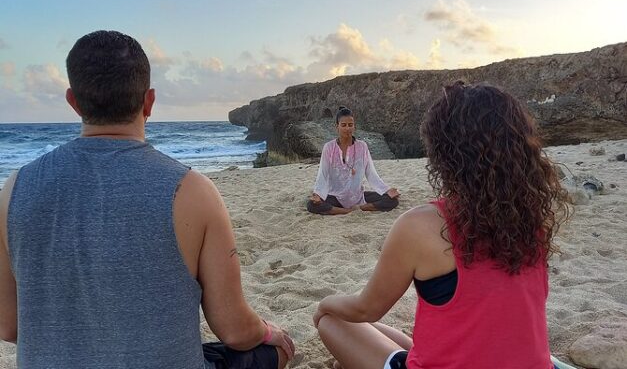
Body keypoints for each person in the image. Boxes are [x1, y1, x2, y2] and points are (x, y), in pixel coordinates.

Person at [0, 30, 294, 369]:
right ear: (149, 101)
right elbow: (234, 329)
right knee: (274, 351)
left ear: (73, 101)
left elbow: (9, 326)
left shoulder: (15, 190)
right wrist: (271, 332)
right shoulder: (193, 192)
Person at [313, 82, 569, 369]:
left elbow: (366, 308)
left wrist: (324, 304)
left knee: (332, 321)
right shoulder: (533, 221)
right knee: (389, 337)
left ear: (443, 154)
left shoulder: (421, 225)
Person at [307, 106, 400, 215]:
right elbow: (322, 173)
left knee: (392, 200)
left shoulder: (362, 146)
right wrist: (318, 194)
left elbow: (371, 173)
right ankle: (347, 211)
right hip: (335, 196)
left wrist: (386, 190)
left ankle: (363, 207)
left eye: (350, 125)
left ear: (354, 126)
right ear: (337, 127)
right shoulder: (329, 147)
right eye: (344, 125)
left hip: (357, 196)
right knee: (312, 205)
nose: (347, 128)